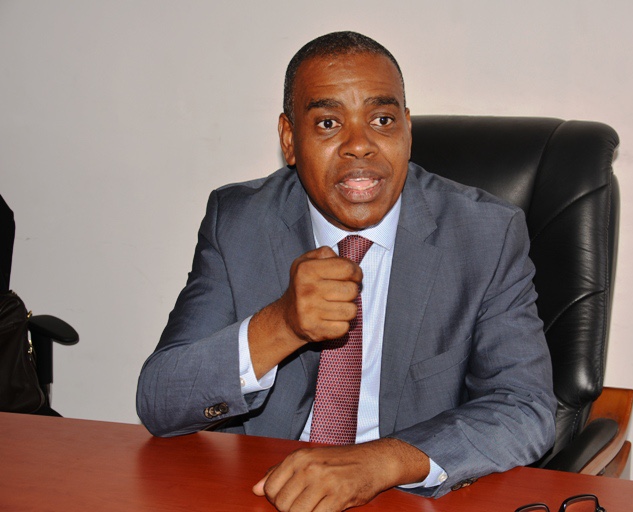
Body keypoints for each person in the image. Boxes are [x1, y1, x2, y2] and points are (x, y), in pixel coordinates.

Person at [137, 31, 556, 511]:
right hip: (261, 489)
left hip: (402, 498)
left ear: (407, 130)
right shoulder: (239, 222)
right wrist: (281, 325)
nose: (360, 145)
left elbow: (525, 407)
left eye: (382, 120)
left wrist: (381, 462)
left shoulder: (485, 235)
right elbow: (160, 402)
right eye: (329, 123)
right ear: (290, 140)